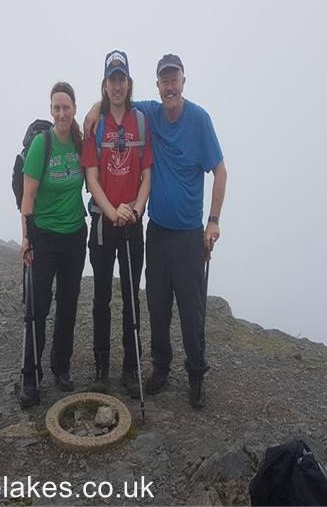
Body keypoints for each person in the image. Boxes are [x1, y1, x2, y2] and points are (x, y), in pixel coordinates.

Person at [84, 54, 227, 410]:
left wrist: (213, 221)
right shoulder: (151, 114)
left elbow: (220, 172)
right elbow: (116, 101)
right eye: (164, 81)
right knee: (157, 305)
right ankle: (161, 369)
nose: (169, 86)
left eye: (174, 79)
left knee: (191, 309)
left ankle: (196, 374)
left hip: (189, 233)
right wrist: (94, 108)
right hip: (158, 231)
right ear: (157, 84)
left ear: (183, 80)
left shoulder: (199, 120)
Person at [81, 50, 153, 396]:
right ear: (105, 84)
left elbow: (147, 174)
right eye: (112, 79)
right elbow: (91, 177)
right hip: (103, 223)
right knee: (101, 298)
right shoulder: (95, 125)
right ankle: (100, 367)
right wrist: (112, 211)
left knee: (130, 298)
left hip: (132, 222)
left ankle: (130, 368)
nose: (118, 85)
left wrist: (136, 210)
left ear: (129, 82)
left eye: (122, 78)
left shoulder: (141, 121)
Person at [19, 81, 87, 409]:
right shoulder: (41, 146)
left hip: (75, 236)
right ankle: (31, 378)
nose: (61, 112)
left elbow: (94, 180)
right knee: (38, 309)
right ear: (51, 110)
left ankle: (61, 367)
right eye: (56, 107)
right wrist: (26, 239)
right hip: (44, 237)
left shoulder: (79, 143)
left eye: (67, 107)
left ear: (75, 108)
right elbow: (27, 197)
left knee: (68, 306)